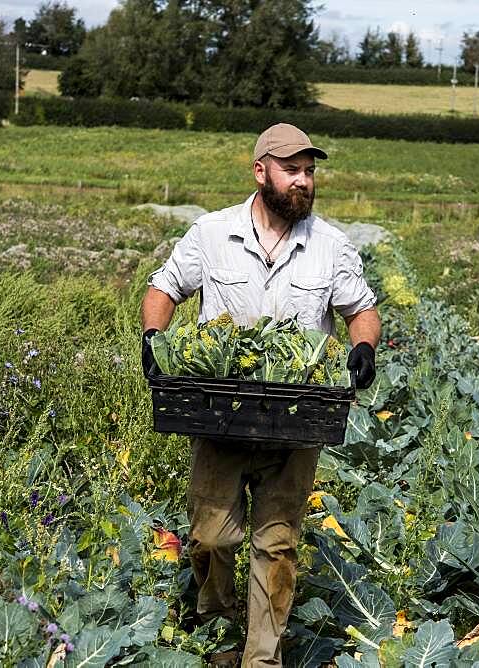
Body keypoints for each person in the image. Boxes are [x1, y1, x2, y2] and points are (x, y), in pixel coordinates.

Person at [139, 123, 381, 667]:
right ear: (260, 171)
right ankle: (221, 624)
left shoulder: (330, 245)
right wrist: (154, 338)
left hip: (296, 423)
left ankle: (260, 657)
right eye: (292, 169)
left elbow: (361, 311)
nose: (303, 181)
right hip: (220, 417)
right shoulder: (211, 233)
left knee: (277, 546)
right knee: (211, 539)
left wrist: (363, 347)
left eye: (310, 171)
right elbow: (163, 289)